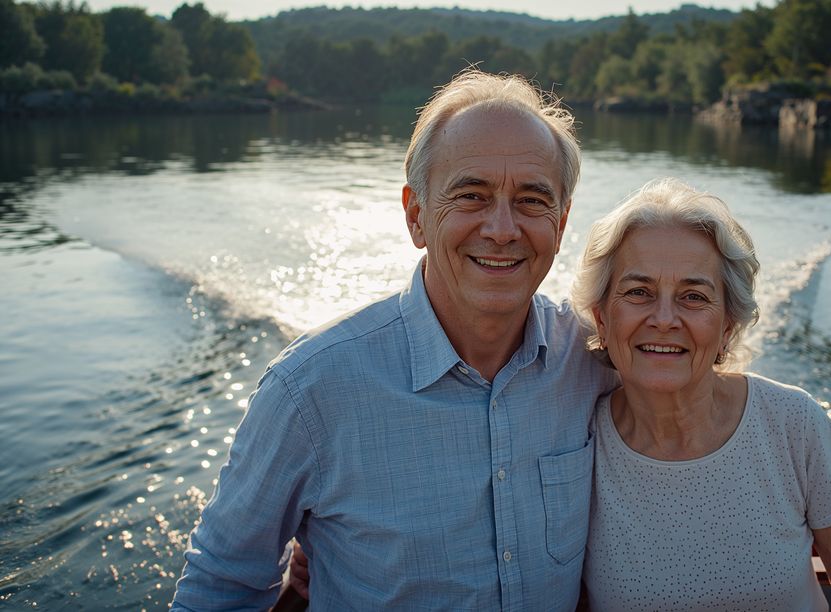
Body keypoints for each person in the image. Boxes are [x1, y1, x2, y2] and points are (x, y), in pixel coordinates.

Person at [170, 70, 617, 610]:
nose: (502, 228)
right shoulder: (309, 391)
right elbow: (219, 589)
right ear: (416, 216)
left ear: (562, 222)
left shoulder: (597, 360)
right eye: (471, 195)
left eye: (531, 200)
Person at [570, 178, 831, 610]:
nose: (663, 318)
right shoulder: (575, 446)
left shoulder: (793, 424)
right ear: (602, 320)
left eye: (693, 296)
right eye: (638, 292)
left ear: (727, 328)